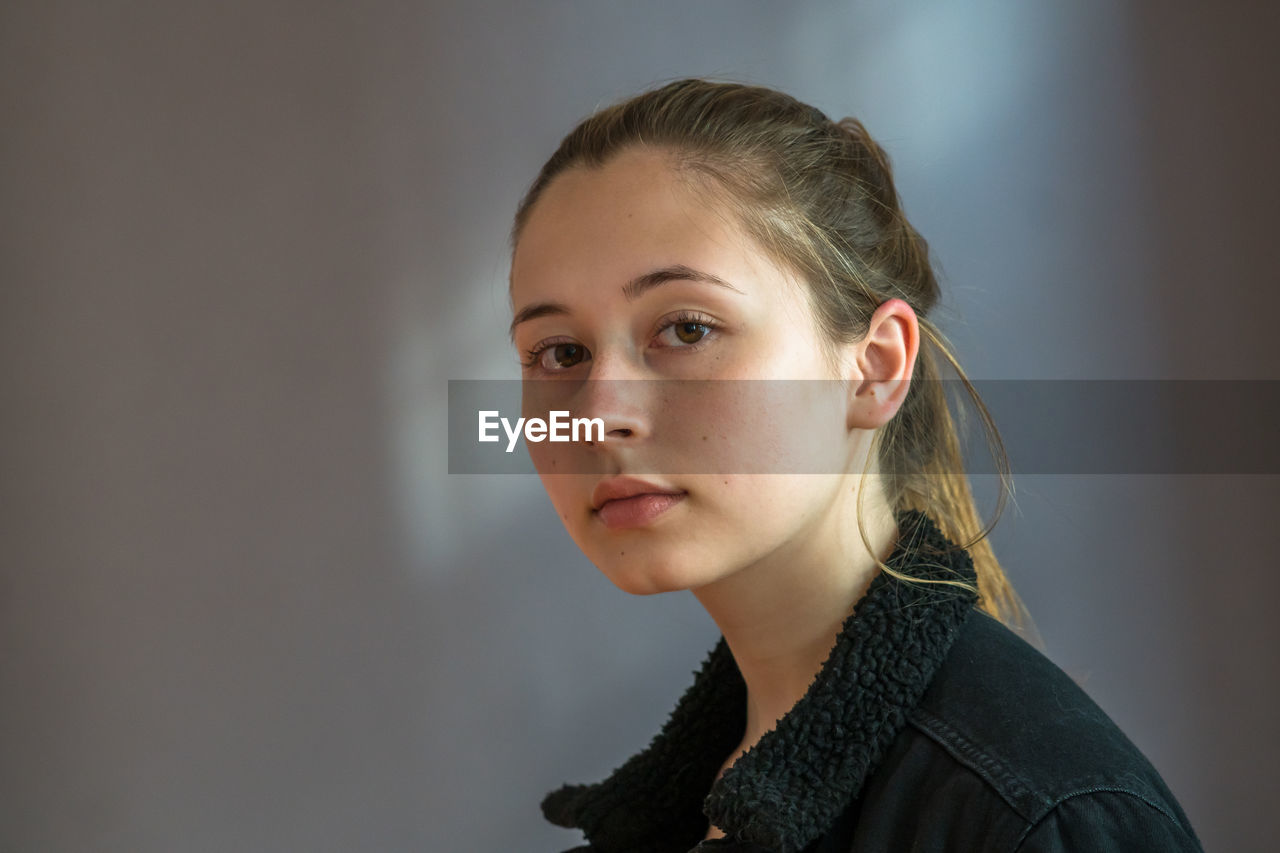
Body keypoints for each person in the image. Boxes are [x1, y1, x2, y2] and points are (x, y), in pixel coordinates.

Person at [506, 78, 1203, 852]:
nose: (600, 412)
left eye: (688, 329)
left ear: (874, 368)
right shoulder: (689, 805)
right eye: (559, 352)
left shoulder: (1038, 816)